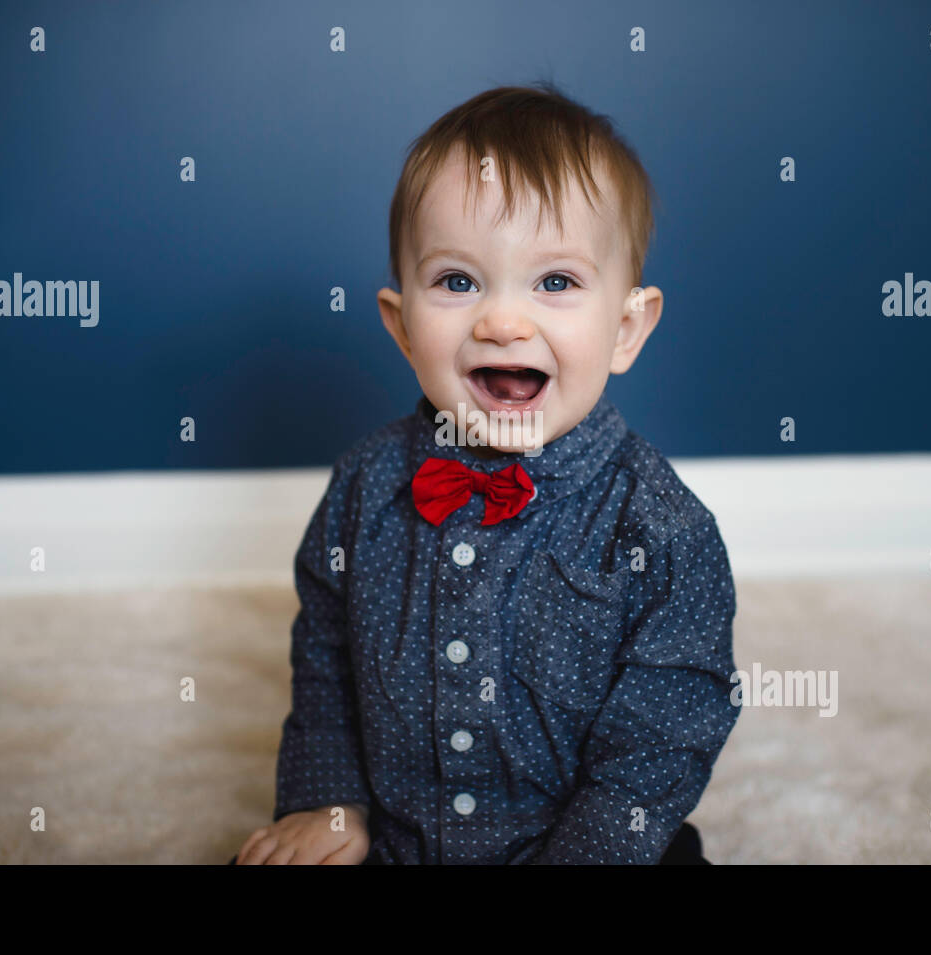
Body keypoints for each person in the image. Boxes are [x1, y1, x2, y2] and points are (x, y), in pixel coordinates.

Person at [235, 83, 738, 864]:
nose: (503, 321)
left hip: (589, 843)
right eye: (459, 282)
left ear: (626, 328)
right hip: (399, 840)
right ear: (403, 327)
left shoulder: (664, 531)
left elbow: (665, 732)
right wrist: (327, 801)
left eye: (557, 282)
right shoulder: (365, 488)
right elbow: (325, 656)